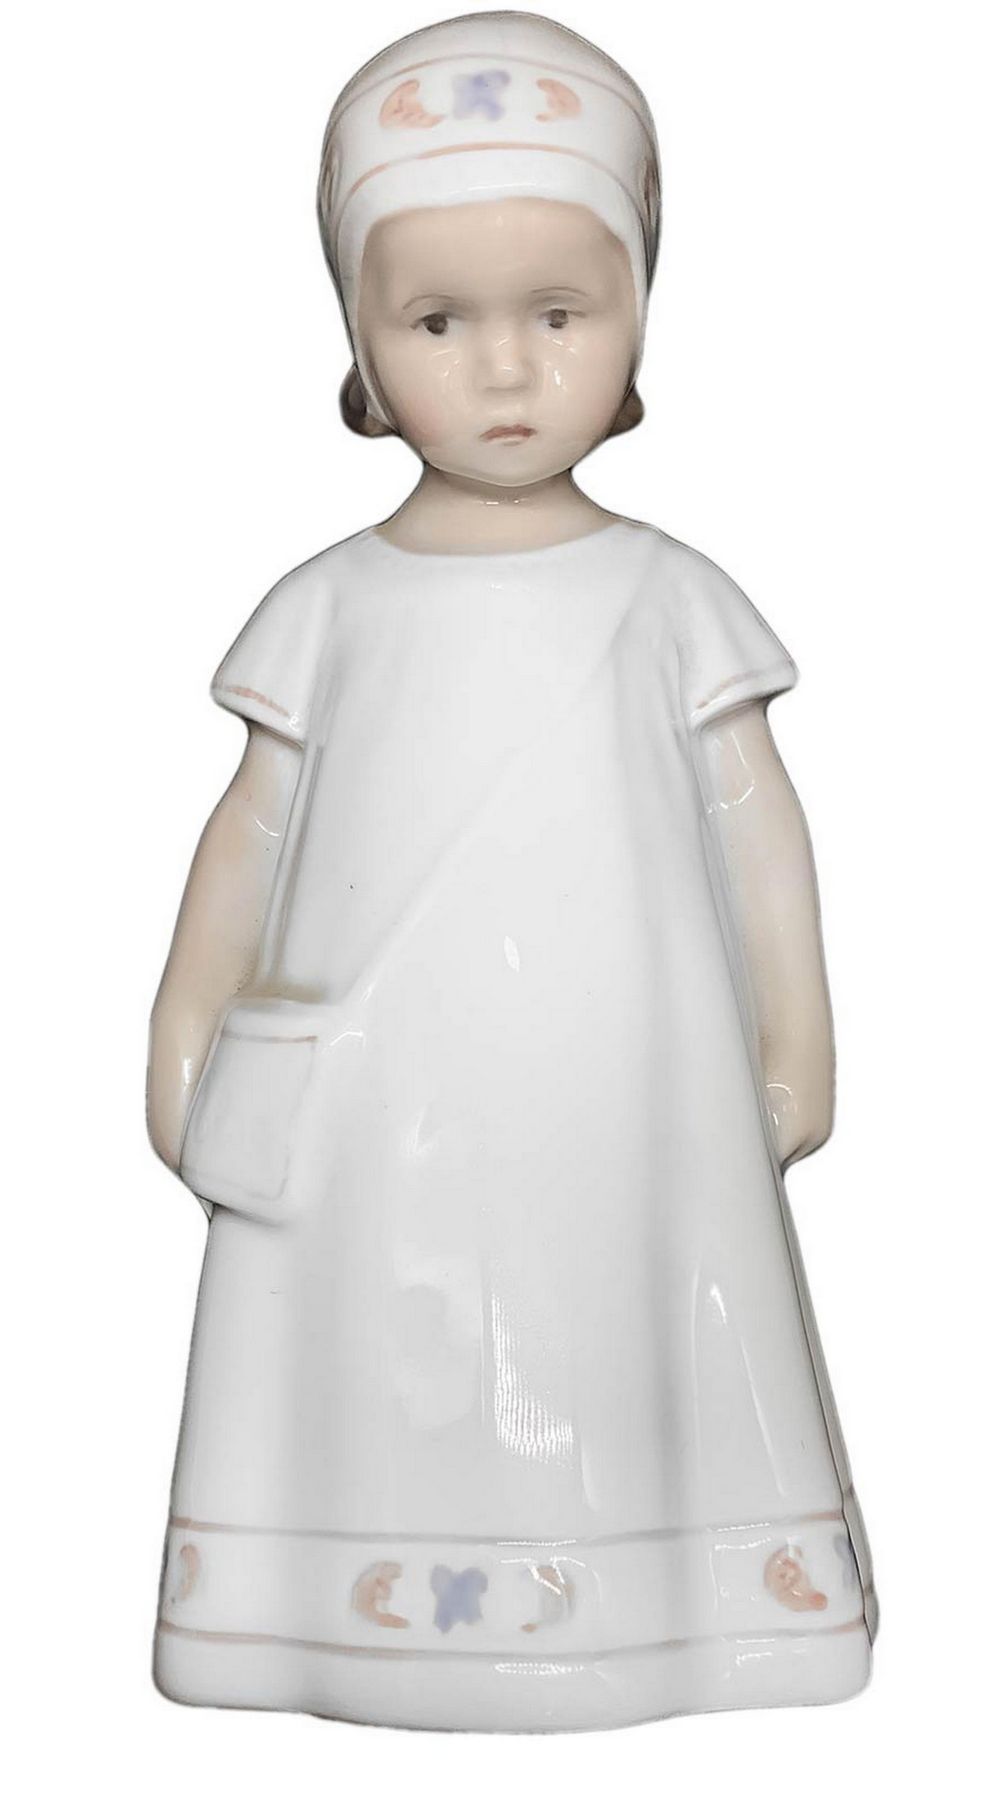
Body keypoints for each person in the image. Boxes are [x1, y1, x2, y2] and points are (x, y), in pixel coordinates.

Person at [147, 10, 877, 1732]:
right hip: (378, 1107)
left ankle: (674, 1607)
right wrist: (181, 1027)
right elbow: (251, 826)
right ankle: (336, 1613)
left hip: (627, 1092)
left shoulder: (669, 596)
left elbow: (756, 821)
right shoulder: (326, 606)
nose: (502, 371)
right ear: (357, 342)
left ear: (637, 318)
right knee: (364, 1340)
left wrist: (797, 1039)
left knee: (628, 1313)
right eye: (437, 321)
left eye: (560, 312)